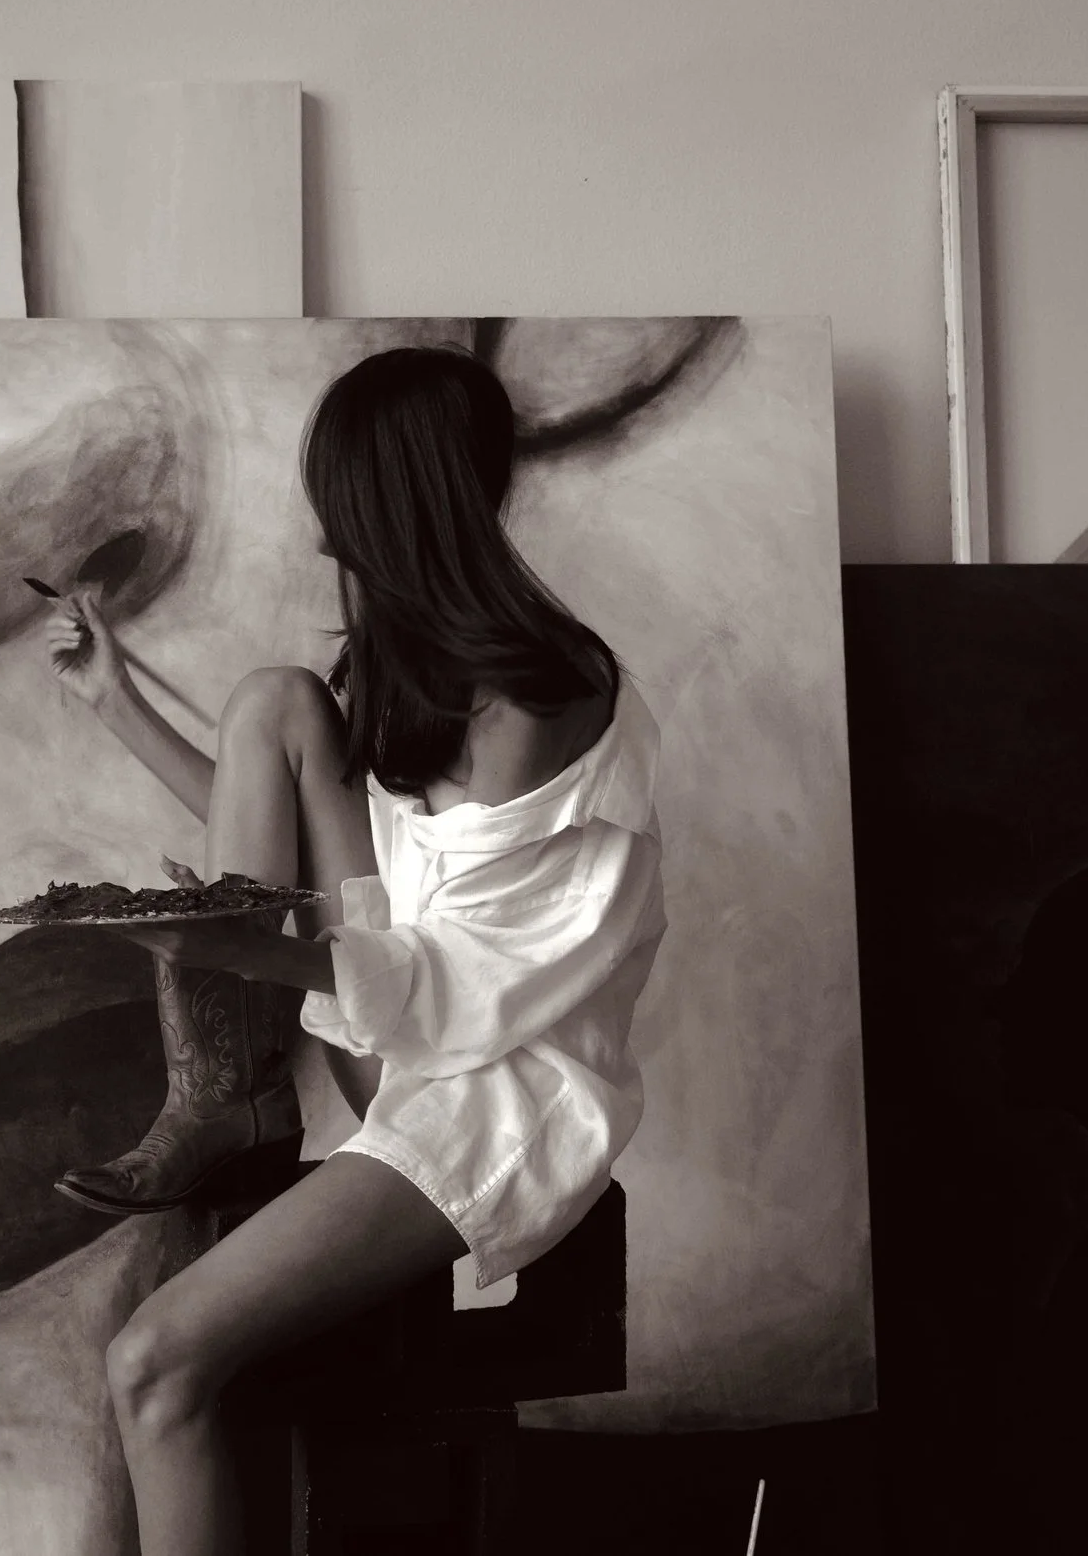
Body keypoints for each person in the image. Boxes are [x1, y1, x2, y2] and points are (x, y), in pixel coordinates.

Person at [38, 345, 667, 1556]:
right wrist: (114, 698)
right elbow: (293, 848)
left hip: (497, 1087)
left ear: (389, 497)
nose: (321, 528)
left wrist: (243, 954)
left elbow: (468, 983)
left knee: (151, 1363)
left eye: (336, 494)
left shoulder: (535, 699)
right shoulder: (420, 663)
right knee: (275, 698)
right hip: (405, 1025)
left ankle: (224, 1093)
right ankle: (223, 1095)